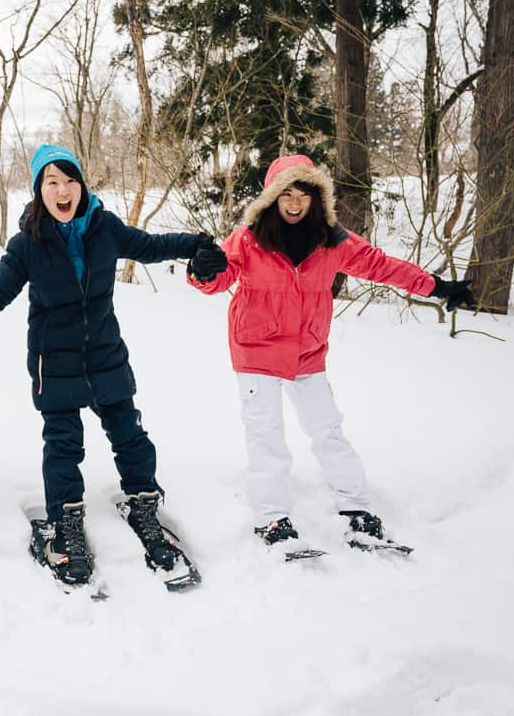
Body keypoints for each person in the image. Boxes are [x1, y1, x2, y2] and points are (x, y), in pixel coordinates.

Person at [0, 144, 212, 586]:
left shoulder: (103, 227)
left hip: (105, 352)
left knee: (130, 434)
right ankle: (65, 522)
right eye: (52, 182)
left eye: (70, 180)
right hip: (56, 360)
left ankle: (143, 503)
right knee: (64, 443)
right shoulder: (28, 242)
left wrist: (196, 245)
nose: (63, 190)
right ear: (38, 191)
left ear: (82, 185)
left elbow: (149, 245)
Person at [185, 154, 474, 548]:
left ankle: (356, 508)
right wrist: (201, 271)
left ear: (316, 197)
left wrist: (437, 287)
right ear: (272, 197)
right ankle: (272, 519)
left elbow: (381, 266)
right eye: (285, 193)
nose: (293, 203)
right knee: (266, 434)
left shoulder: (332, 239)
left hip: (307, 352)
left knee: (327, 431)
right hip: (256, 349)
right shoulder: (249, 238)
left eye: (303, 194)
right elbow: (217, 278)